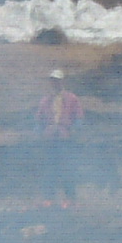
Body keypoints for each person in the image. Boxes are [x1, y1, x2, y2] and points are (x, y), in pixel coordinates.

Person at [35, 70, 85, 205]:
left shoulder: (72, 98)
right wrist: (40, 132)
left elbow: (79, 118)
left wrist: (74, 131)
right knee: (49, 169)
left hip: (65, 138)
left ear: (62, 81)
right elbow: (38, 120)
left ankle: (69, 198)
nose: (55, 83)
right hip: (50, 138)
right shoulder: (45, 100)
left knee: (67, 168)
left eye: (57, 80)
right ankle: (48, 198)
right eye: (52, 80)